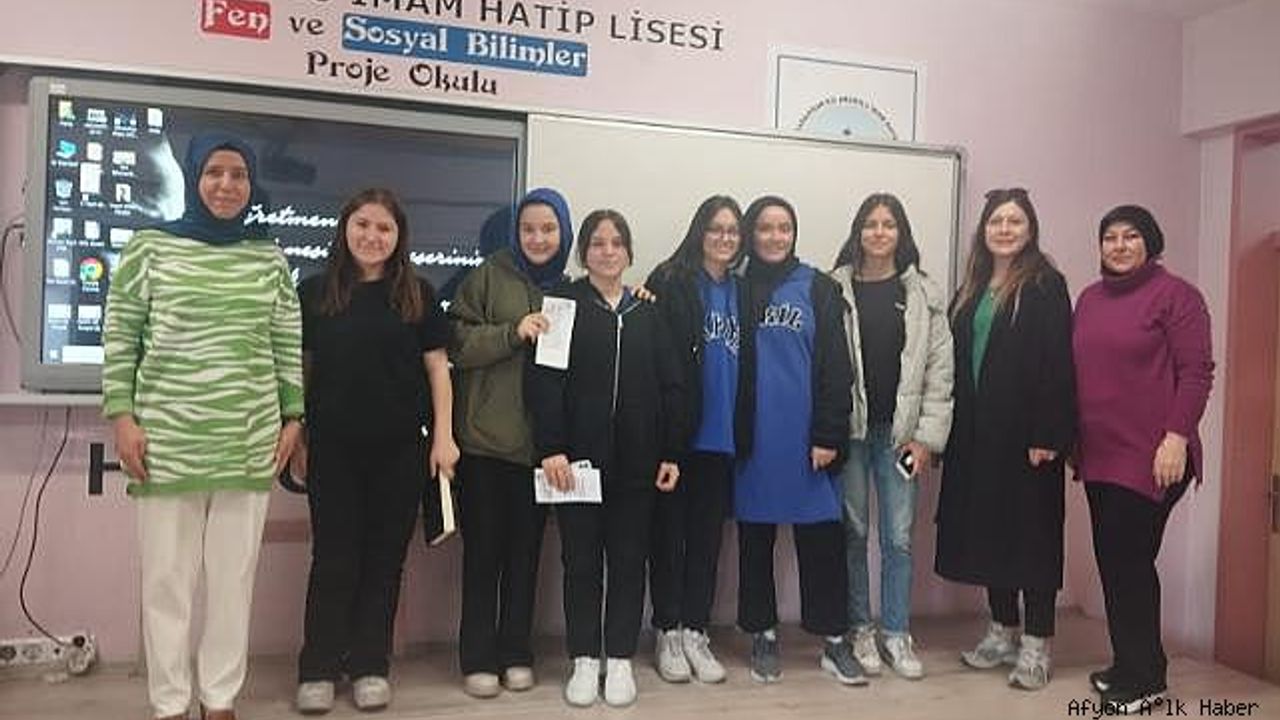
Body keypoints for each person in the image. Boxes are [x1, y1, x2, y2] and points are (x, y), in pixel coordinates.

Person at [102, 133, 304, 720]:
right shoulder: (149, 248)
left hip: (248, 439)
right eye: (215, 172)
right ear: (195, 177)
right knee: (166, 583)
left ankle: (219, 699)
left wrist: (293, 416)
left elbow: (285, 342)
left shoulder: (267, 258)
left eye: (239, 175)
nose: (226, 185)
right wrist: (122, 416)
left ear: (251, 186)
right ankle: (170, 703)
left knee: (233, 582)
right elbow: (121, 336)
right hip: (166, 441)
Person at [292, 188, 459, 713]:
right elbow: (302, 369)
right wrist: (296, 431)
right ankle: (318, 668)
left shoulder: (418, 294)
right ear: (345, 228)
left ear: (398, 236)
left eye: (384, 227)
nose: (372, 236)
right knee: (333, 559)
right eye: (362, 224)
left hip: (402, 451)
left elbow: (438, 369)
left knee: (385, 563)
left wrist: (445, 437)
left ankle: (369, 665)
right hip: (332, 449)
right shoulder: (315, 292)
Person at [528, 209, 686, 707]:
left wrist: (671, 451)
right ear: (584, 252)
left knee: (628, 561)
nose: (608, 251)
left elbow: (672, 387)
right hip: (576, 466)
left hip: (638, 465)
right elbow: (545, 383)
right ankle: (583, 658)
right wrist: (551, 447)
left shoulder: (649, 312)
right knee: (580, 563)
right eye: (598, 242)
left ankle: (618, 659)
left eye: (617, 242)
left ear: (629, 252)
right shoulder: (561, 308)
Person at [934, 187, 1076, 691]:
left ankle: (1036, 645)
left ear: (1030, 228)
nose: (1005, 229)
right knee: (990, 532)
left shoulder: (1045, 285)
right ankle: (1001, 630)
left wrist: (1049, 432)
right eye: (996, 221)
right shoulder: (972, 287)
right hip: (977, 436)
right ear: (984, 229)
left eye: (1015, 221)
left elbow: (1058, 362)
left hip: (1027, 440)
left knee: (1032, 538)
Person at [1073, 205, 1213, 712]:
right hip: (1100, 454)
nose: (1119, 245)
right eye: (1110, 237)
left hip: (1155, 456)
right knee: (1114, 563)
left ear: (1150, 242)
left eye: (1131, 236)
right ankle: (1128, 664)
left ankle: (1148, 680)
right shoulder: (1089, 299)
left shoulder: (1178, 296)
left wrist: (1177, 437)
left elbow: (1197, 373)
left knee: (1128, 562)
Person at [448, 187, 573, 698]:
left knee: (526, 557)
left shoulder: (571, 291)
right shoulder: (486, 276)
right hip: (484, 445)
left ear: (563, 233)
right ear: (515, 233)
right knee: (483, 556)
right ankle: (478, 657)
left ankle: (517, 652)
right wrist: (511, 332)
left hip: (539, 452)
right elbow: (456, 343)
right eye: (528, 229)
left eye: (548, 229)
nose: (538, 238)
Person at [732, 195, 860, 685]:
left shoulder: (818, 287)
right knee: (755, 544)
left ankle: (834, 641)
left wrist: (828, 433)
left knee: (822, 543)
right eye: (765, 227)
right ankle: (762, 634)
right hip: (753, 442)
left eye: (783, 227)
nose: (774, 236)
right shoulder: (736, 286)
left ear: (794, 233)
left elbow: (837, 368)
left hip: (809, 442)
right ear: (751, 233)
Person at [830, 193, 954, 681]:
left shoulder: (924, 293)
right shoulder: (834, 287)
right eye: (870, 223)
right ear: (857, 231)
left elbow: (939, 373)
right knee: (854, 533)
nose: (879, 232)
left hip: (901, 439)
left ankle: (896, 633)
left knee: (898, 539)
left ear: (901, 233)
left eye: (888, 224)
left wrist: (925, 439)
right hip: (852, 435)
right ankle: (860, 629)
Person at [643, 195, 743, 685]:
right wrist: (667, 441)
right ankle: (667, 630)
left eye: (733, 230)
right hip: (679, 441)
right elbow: (657, 365)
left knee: (706, 543)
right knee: (668, 540)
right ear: (699, 231)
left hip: (724, 442)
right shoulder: (670, 281)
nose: (725, 238)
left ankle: (695, 630)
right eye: (716, 228)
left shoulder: (744, 290)